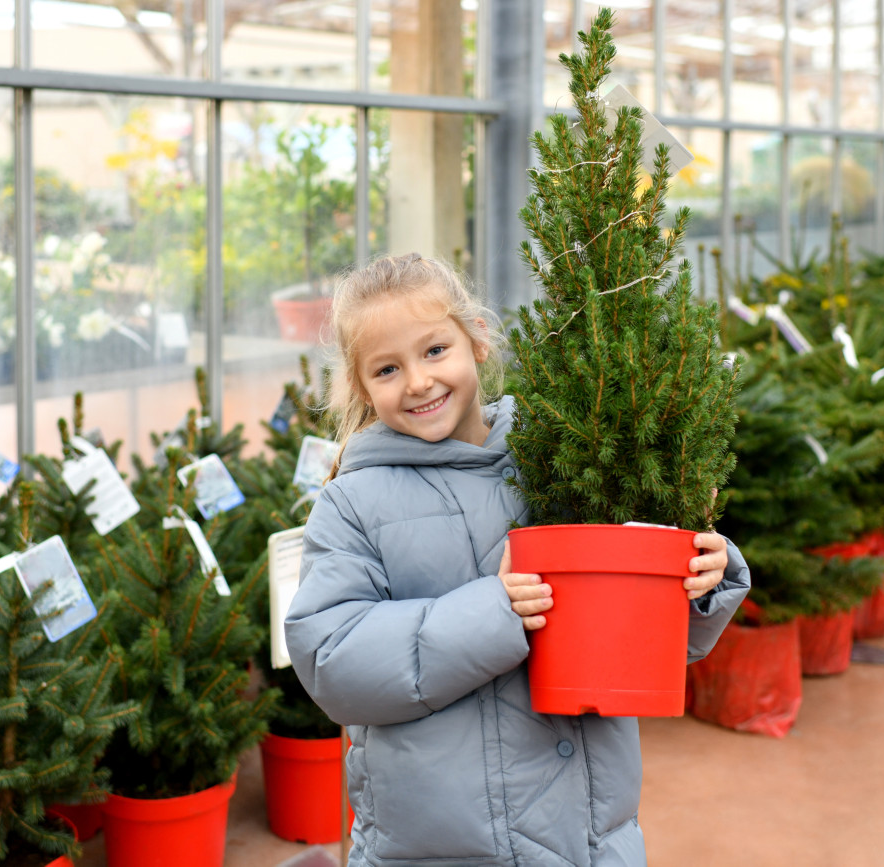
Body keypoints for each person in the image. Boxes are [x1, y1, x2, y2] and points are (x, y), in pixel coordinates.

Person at [285, 253, 750, 866]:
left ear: (476, 340)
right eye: (387, 368)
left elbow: (644, 634)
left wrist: (698, 579)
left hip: (585, 840)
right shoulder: (354, 501)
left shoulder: (559, 454)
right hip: (440, 851)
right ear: (362, 387)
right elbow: (332, 659)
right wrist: (491, 614)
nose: (418, 381)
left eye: (433, 350)